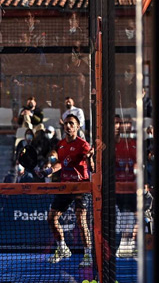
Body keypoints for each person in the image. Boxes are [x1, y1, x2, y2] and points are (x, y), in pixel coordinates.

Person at [37, 114, 92, 267]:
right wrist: (47, 172)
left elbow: (91, 167)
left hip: (81, 186)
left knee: (81, 220)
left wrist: (91, 158)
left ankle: (88, 255)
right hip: (65, 185)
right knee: (51, 218)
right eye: (66, 123)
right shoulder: (61, 145)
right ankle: (62, 248)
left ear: (77, 126)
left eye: (71, 123)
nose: (68, 126)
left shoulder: (83, 145)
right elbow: (60, 164)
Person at [113, 115, 139, 258]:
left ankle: (130, 245)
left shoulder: (133, 143)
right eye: (115, 124)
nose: (118, 126)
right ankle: (123, 245)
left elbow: (138, 164)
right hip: (116, 188)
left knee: (137, 217)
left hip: (132, 187)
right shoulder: (110, 144)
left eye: (120, 123)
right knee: (123, 217)